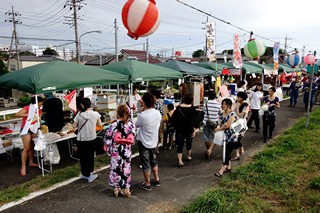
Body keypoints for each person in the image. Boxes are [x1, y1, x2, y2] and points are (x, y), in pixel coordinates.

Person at [105, 105, 135, 198]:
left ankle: (116, 189)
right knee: (126, 169)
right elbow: (133, 137)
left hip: (116, 153)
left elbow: (108, 139)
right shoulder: (130, 125)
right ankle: (126, 189)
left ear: (118, 113)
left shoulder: (113, 125)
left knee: (115, 169)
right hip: (126, 152)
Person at [136, 92, 162, 191]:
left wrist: (142, 111)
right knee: (154, 161)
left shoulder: (143, 115)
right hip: (154, 141)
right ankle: (157, 179)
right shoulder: (157, 113)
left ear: (145, 103)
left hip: (144, 142)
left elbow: (137, 125)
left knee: (146, 163)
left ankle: (147, 183)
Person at [73, 98, 102, 183]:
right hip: (91, 138)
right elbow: (100, 124)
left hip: (81, 139)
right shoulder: (95, 114)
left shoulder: (79, 114)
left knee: (82, 157)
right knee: (90, 156)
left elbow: (74, 126)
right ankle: (90, 174)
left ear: (82, 105)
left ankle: (84, 173)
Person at [16, 96, 43, 176]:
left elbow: (39, 119)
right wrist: (29, 114)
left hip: (34, 128)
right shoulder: (28, 107)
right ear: (35, 103)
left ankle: (31, 162)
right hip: (26, 128)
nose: (39, 106)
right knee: (27, 148)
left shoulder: (39, 110)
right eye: (38, 105)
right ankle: (23, 166)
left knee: (32, 146)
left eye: (40, 105)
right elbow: (17, 114)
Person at [170, 93, 199, 167]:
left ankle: (180, 160)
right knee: (189, 144)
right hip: (189, 130)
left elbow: (173, 119)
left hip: (180, 130)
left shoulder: (178, 108)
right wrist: (194, 129)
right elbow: (194, 121)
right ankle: (188, 156)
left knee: (180, 145)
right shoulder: (192, 109)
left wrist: (176, 127)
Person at [214, 98, 238, 178]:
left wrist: (219, 128)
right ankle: (229, 167)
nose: (222, 105)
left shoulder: (232, 114)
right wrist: (221, 127)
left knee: (226, 153)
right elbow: (221, 124)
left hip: (232, 137)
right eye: (222, 104)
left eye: (224, 104)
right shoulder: (221, 114)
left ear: (229, 105)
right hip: (223, 137)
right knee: (226, 153)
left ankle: (221, 171)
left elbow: (227, 125)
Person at [202, 90, 220, 159]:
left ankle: (208, 150)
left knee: (206, 138)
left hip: (206, 122)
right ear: (215, 96)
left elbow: (204, 111)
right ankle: (210, 150)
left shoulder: (205, 104)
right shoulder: (218, 105)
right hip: (214, 124)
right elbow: (220, 112)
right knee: (214, 138)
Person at [232, 92, 249, 161]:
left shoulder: (245, 105)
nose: (237, 98)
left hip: (241, 123)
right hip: (235, 123)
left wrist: (238, 106)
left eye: (238, 97)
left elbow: (240, 115)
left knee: (236, 138)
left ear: (242, 98)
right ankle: (240, 149)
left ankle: (237, 155)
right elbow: (232, 111)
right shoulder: (236, 103)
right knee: (235, 138)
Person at [150, 88, 164, 154]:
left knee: (155, 135)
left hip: (156, 122)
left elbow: (161, 113)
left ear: (154, 96)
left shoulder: (156, 103)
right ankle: (156, 148)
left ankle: (155, 148)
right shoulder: (159, 102)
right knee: (156, 135)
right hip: (156, 121)